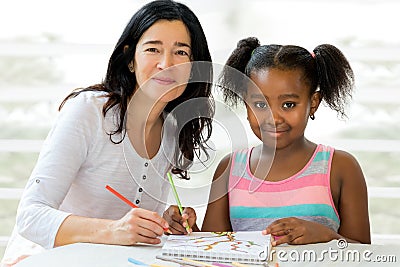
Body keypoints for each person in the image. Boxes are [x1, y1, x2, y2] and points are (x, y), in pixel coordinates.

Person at [1, 0, 213, 265]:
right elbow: (30, 216)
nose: (166, 64)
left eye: (181, 52)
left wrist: (163, 222)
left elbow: (131, 225)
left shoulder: (173, 131)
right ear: (130, 60)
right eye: (153, 49)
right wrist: (114, 229)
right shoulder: (89, 112)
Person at [201, 37, 371, 246]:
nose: (273, 118)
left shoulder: (341, 167)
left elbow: (364, 254)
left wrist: (328, 236)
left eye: (289, 104)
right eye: (260, 105)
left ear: (313, 103)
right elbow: (209, 250)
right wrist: (183, 231)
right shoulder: (229, 170)